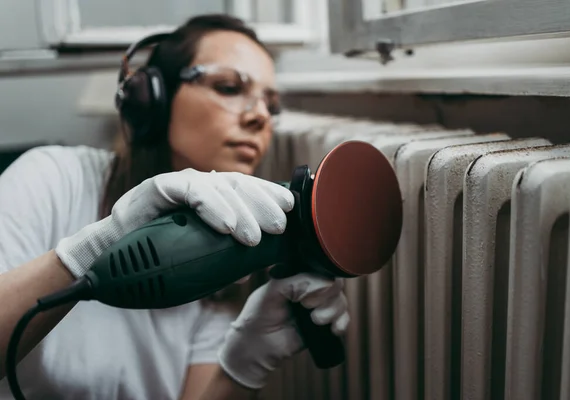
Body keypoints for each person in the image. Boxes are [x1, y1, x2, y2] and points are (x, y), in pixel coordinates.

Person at [0, 14, 349, 400]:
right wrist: (93, 248)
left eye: (272, 106)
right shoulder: (53, 177)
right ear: (153, 100)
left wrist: (244, 363)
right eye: (229, 87)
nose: (260, 117)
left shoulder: (235, 254)